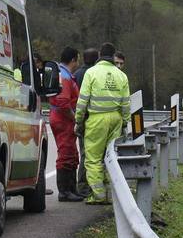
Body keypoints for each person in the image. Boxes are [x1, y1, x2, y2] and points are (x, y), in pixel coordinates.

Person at [74, 42, 131, 205]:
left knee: (93, 158)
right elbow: (126, 103)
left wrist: (79, 120)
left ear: (100, 55)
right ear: (113, 57)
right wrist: (125, 121)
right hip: (116, 119)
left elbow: (82, 100)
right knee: (110, 157)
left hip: (97, 119)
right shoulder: (121, 75)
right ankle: (111, 193)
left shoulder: (91, 72)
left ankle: (99, 194)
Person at [49, 47, 82, 202]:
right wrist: (74, 117)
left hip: (62, 118)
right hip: (64, 120)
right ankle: (64, 192)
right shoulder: (65, 76)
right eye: (77, 59)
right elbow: (63, 102)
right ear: (74, 59)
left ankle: (72, 189)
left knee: (72, 154)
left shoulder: (64, 74)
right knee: (66, 154)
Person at [73, 47, 100, 197]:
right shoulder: (94, 74)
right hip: (93, 119)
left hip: (81, 118)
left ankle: (82, 184)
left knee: (84, 152)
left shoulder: (75, 75)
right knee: (94, 154)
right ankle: (87, 186)